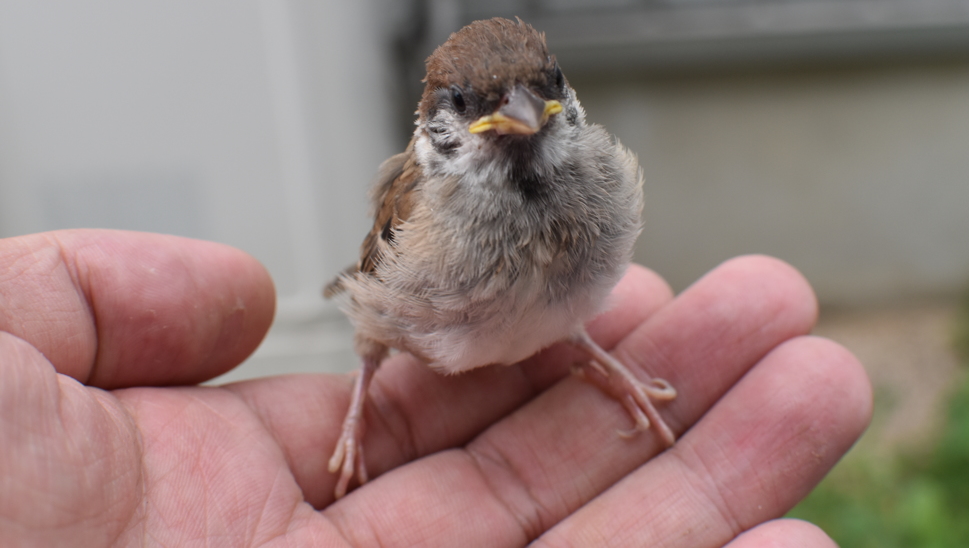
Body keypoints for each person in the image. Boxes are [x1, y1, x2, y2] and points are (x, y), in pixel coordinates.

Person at [0, 229, 870, 546]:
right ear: (438, 123)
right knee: (376, 351)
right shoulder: (426, 203)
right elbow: (379, 299)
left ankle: (609, 370)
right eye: (478, 110)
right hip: (403, 341)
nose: (520, 121)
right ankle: (358, 410)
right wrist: (358, 411)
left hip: (563, 338)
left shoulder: (598, 178)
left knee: (586, 322)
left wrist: (604, 356)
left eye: (542, 98)